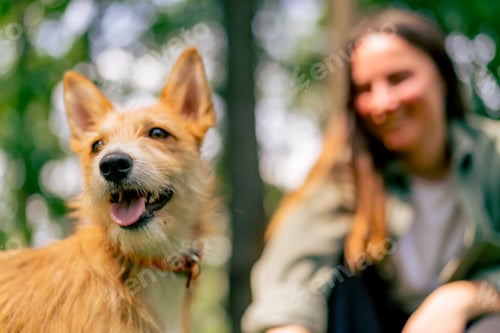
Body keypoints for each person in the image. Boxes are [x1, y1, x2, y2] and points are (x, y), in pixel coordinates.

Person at [242, 8, 500, 333]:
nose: (382, 103)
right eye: (365, 89)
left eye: (399, 78)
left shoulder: (493, 155)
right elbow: (290, 280)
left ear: (443, 77)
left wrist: (463, 298)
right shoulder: (344, 175)